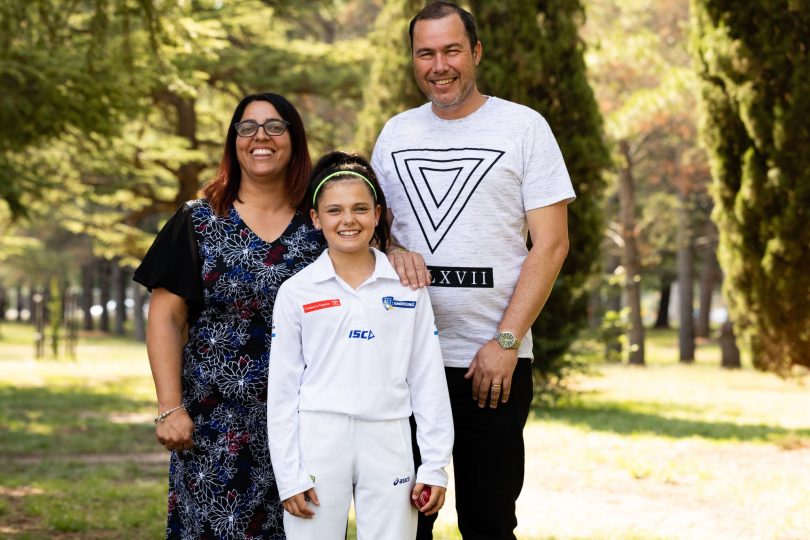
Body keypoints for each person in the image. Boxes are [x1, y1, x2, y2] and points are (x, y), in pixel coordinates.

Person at [370, 2, 576, 539]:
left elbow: (551, 245)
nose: (439, 65)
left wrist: (506, 343)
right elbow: (370, 232)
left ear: (476, 52)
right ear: (413, 60)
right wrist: (391, 250)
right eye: (426, 53)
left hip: (493, 368)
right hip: (406, 365)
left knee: (488, 522)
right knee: (404, 522)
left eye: (452, 50)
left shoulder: (524, 127)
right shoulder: (394, 135)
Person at [133, 92, 327, 539]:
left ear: (294, 139)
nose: (261, 137)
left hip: (308, 426)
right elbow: (165, 318)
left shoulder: (320, 223)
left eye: (275, 126)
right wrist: (168, 408)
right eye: (247, 127)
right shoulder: (198, 220)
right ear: (233, 141)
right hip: (214, 429)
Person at [266, 152, 454, 540]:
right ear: (316, 219)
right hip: (319, 437)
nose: (348, 220)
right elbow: (282, 392)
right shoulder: (296, 291)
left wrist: (435, 465)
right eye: (334, 210)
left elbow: (427, 379)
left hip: (389, 436)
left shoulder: (408, 288)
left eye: (360, 209)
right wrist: (289, 475)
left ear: (378, 214)